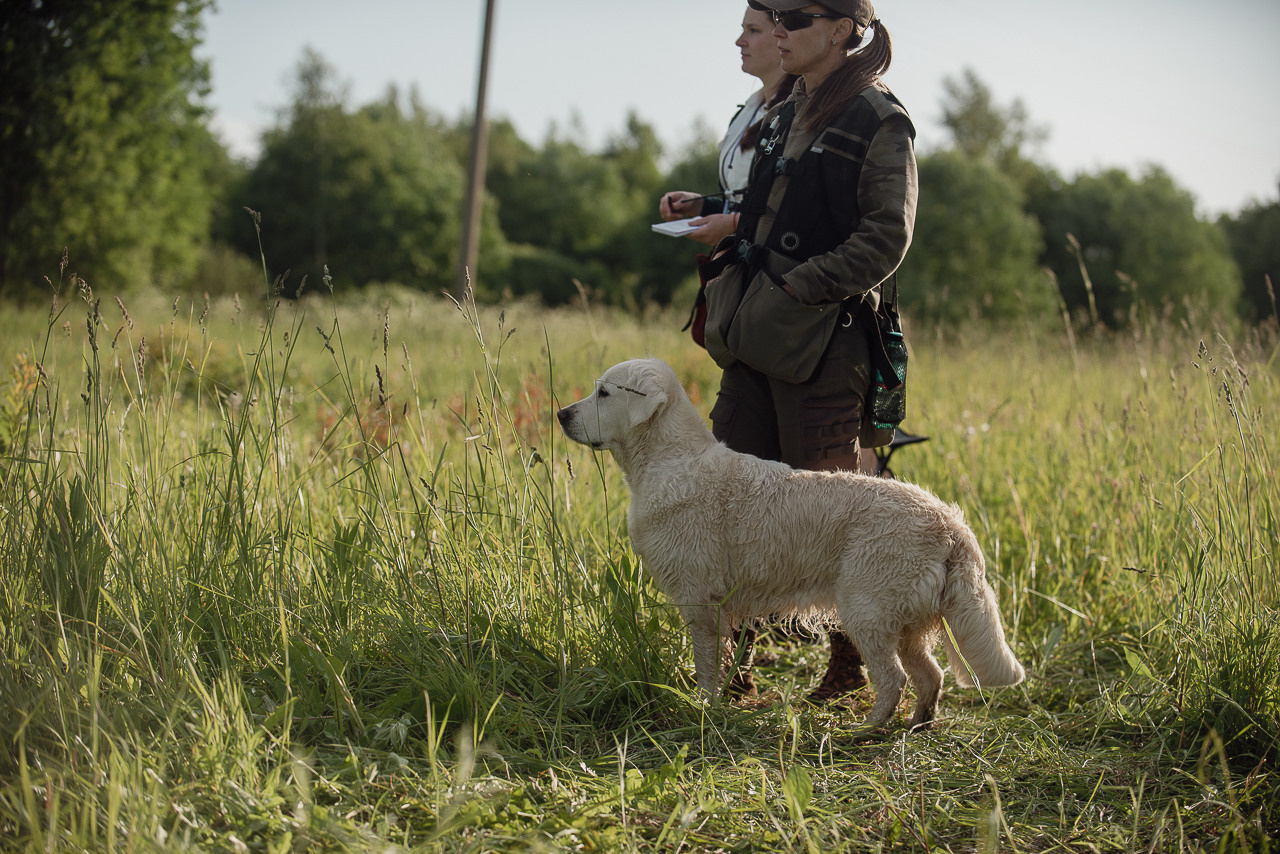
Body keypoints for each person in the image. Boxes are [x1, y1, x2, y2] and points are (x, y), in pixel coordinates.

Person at [698, 0, 919, 702]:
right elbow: (768, 213)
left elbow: (888, 236)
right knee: (725, 496)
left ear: (843, 28)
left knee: (829, 513)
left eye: (793, 15)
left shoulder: (879, 118)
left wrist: (800, 286)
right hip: (756, 336)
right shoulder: (787, 108)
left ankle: (853, 665)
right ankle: (735, 668)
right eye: (777, 17)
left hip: (827, 344)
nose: (779, 29)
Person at [657, 6, 797, 247]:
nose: (739, 42)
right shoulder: (746, 113)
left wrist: (734, 225)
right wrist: (699, 204)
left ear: (782, 36)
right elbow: (740, 204)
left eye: (753, 30)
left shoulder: (799, 114)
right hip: (736, 265)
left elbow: (795, 212)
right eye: (742, 30)